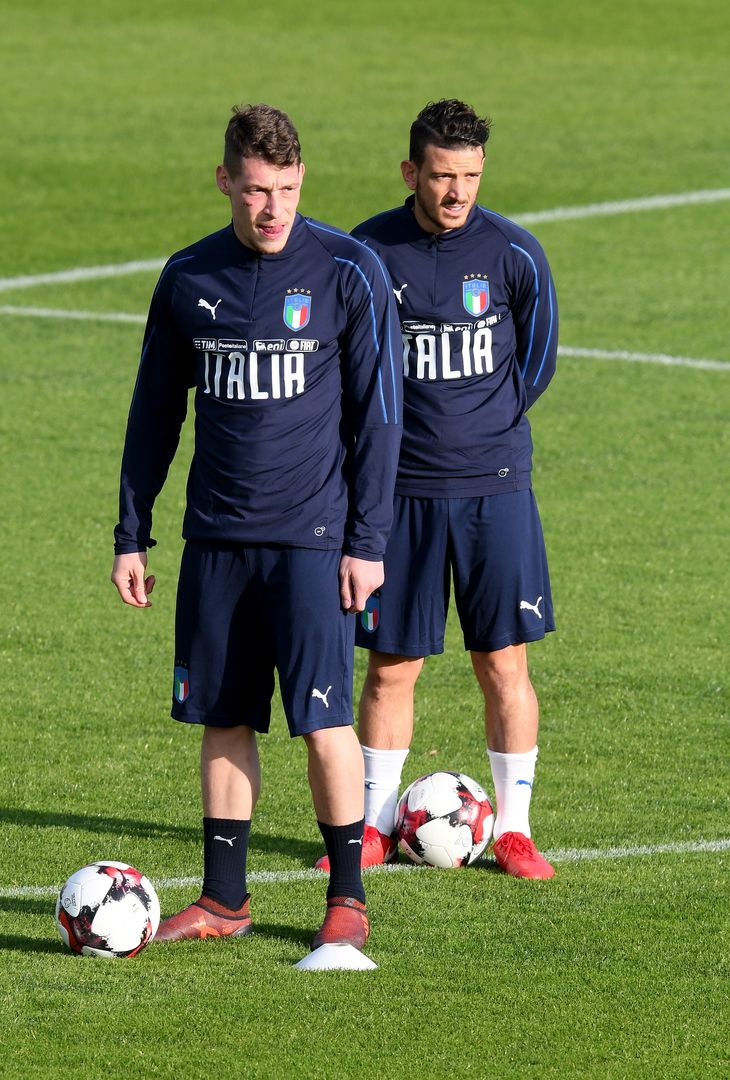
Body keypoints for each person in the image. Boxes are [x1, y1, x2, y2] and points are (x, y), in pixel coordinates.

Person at [111, 104, 402, 949]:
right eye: (253, 192)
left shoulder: (349, 270)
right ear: (224, 183)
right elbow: (153, 413)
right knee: (224, 717)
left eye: (283, 190)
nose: (270, 210)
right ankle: (224, 900)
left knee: (324, 720)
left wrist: (369, 543)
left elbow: (380, 419)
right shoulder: (189, 276)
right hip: (216, 542)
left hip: (314, 542)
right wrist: (134, 532)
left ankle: (347, 897)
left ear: (301, 180)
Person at [316, 99, 558, 879]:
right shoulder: (367, 250)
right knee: (391, 667)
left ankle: (514, 830)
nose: (458, 192)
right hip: (398, 493)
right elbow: (343, 364)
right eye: (444, 175)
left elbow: (537, 363)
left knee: (504, 662)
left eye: (472, 177)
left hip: (495, 490)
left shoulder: (516, 255)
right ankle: (377, 829)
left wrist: (484, 429)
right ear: (411, 170)